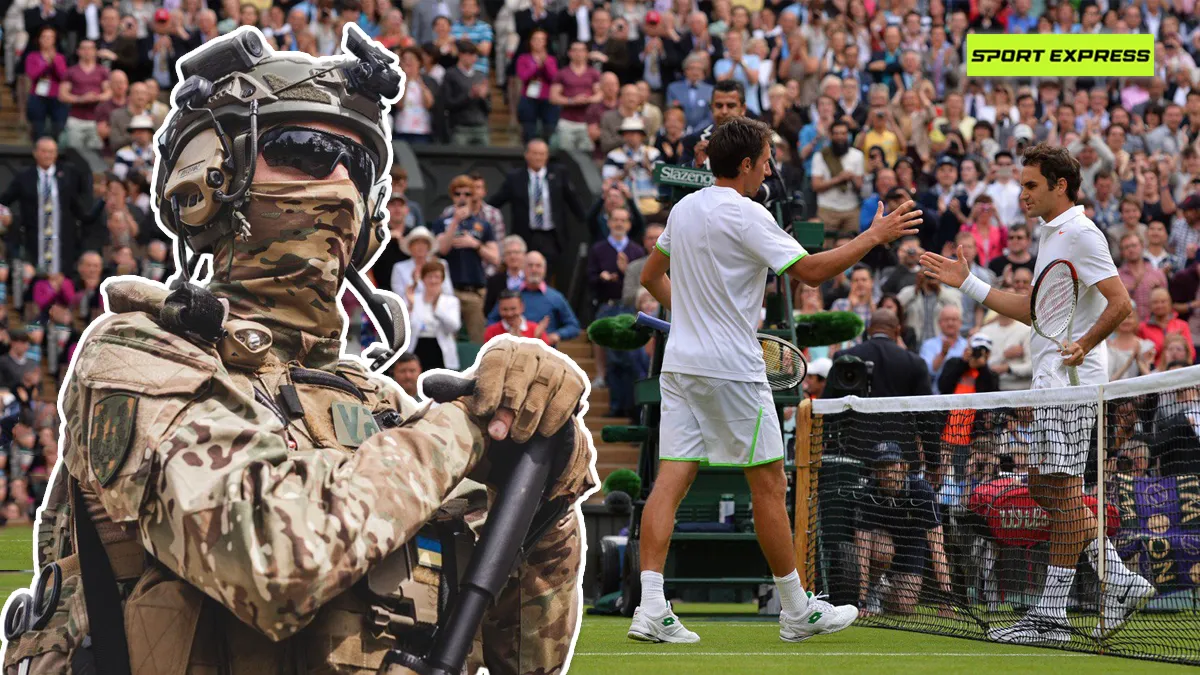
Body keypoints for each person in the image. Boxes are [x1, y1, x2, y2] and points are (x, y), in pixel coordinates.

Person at [4, 27, 595, 674]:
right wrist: (465, 428)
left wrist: (546, 500)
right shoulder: (137, 359)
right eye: (307, 149)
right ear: (209, 172)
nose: (341, 182)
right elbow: (274, 563)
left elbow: (526, 656)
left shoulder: (383, 412)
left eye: (362, 165)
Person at [633, 116, 922, 643]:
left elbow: (652, 277)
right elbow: (811, 272)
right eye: (765, 160)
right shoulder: (749, 214)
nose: (769, 167)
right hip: (731, 369)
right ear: (745, 165)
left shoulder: (683, 210)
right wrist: (873, 235)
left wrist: (691, 314)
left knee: (671, 479)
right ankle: (796, 609)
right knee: (769, 482)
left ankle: (651, 607)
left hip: (681, 365)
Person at [921, 143, 1151, 644]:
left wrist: (1083, 345)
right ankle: (1118, 578)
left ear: (1059, 185)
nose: (1021, 194)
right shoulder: (1054, 236)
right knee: (1047, 487)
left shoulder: (1082, 234)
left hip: (1071, 383)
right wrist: (969, 283)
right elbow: (1033, 311)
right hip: (1052, 380)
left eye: (1031, 185)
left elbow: (1122, 303)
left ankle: (1051, 617)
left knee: (1060, 489)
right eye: (1021, 185)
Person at [854, 445, 948, 617]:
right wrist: (862, 600)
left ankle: (886, 590)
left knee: (904, 607)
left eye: (892, 465)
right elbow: (862, 547)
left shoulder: (922, 491)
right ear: (876, 471)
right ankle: (873, 591)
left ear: (902, 466)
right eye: (882, 467)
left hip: (911, 547)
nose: (888, 473)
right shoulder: (869, 493)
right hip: (882, 546)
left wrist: (946, 600)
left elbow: (937, 548)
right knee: (883, 550)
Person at [487, 139, 586, 276]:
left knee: (547, 272)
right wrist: (481, 209)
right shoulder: (515, 178)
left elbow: (572, 199)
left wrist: (585, 219)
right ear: (526, 155)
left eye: (542, 154)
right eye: (535, 154)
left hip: (551, 235)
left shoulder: (558, 174)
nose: (538, 157)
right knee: (523, 270)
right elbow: (497, 200)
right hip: (526, 234)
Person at [432, 174, 499, 343]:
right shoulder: (442, 222)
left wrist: (475, 244)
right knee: (448, 340)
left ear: (473, 196)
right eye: (458, 193)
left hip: (473, 290)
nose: (462, 197)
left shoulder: (483, 224)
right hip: (448, 290)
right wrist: (454, 222)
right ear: (452, 196)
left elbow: (495, 258)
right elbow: (442, 249)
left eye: (467, 194)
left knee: (477, 339)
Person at [485, 251, 581, 346]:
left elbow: (574, 326)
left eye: (538, 266)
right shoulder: (511, 295)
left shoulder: (556, 297)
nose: (534, 269)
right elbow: (491, 321)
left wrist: (557, 335)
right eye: (530, 265)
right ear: (523, 268)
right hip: (513, 351)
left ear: (545, 269)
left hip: (544, 353)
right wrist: (507, 335)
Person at [810, 120, 865, 238]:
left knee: (852, 248)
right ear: (830, 135)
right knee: (826, 248)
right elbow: (816, 186)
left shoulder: (857, 155)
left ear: (848, 135)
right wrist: (839, 179)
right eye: (836, 133)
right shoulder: (821, 156)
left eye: (843, 133)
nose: (840, 137)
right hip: (827, 209)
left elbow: (860, 185)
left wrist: (852, 178)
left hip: (851, 210)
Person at [403, 260, 462, 370]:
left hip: (440, 348)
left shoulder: (451, 301)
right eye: (429, 277)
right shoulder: (413, 299)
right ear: (423, 279)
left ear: (442, 280)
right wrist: (411, 306)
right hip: (418, 346)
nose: (433, 280)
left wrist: (437, 309)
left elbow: (454, 327)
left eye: (437, 277)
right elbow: (405, 328)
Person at [680, 79, 747, 168]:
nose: (724, 111)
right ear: (711, 108)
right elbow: (675, 178)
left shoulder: (759, 141)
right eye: (719, 106)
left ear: (743, 109)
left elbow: (770, 180)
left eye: (731, 106)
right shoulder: (692, 141)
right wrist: (695, 164)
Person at [483, 289, 553, 343]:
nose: (509, 314)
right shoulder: (491, 332)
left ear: (522, 307)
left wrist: (536, 340)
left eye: (513, 309)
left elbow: (545, 358)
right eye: (504, 309)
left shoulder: (536, 329)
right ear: (499, 309)